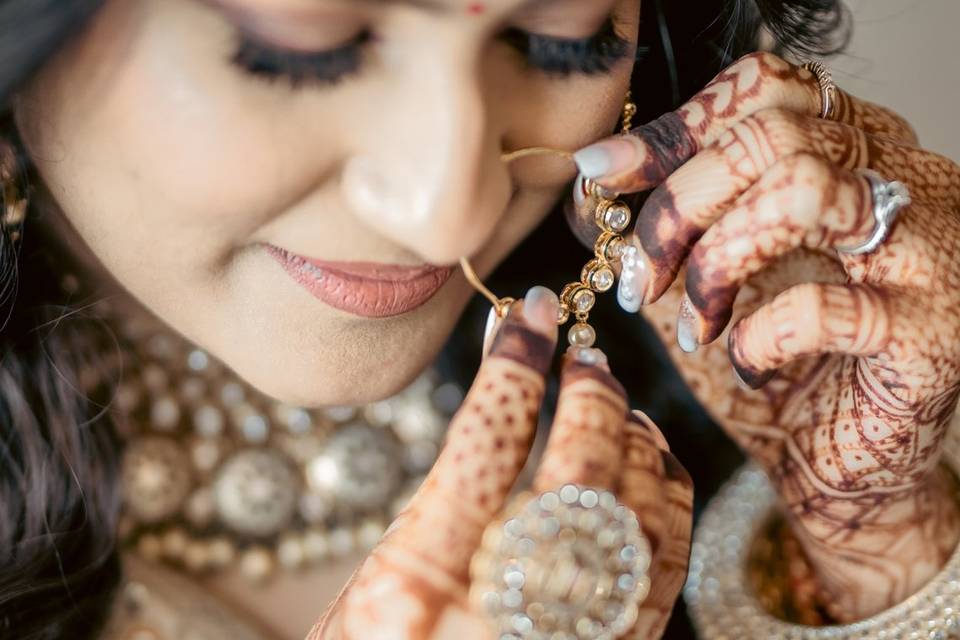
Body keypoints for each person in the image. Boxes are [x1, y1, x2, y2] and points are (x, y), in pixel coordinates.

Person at [2, 0, 959, 639]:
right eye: (301, 49)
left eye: (561, 36)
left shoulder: (733, 353)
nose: (446, 211)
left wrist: (872, 548)